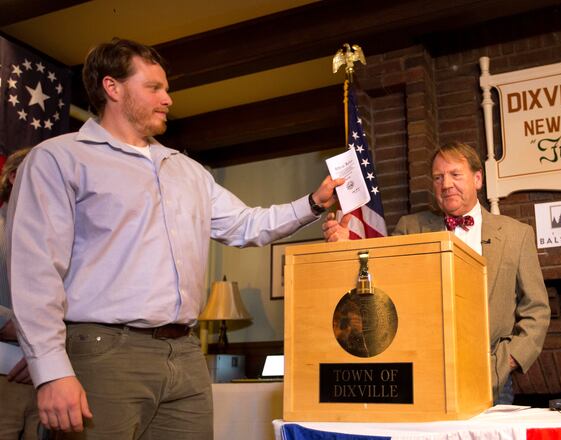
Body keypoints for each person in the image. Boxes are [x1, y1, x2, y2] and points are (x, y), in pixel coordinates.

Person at [6, 38, 342, 438]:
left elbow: (246, 224)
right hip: (101, 353)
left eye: (167, 88)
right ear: (112, 88)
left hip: (185, 356)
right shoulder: (59, 159)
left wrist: (314, 202)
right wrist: (51, 371)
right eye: (154, 88)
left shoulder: (189, 171)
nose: (168, 99)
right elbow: (35, 270)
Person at [323, 141, 550, 404]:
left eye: (455, 174)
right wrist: (347, 247)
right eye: (438, 177)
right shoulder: (411, 228)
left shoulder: (516, 234)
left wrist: (506, 361)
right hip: (421, 374)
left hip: (491, 377)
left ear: (477, 179)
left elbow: (537, 310)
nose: (446, 184)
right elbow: (382, 283)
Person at [0, 148, 38, 439]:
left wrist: (43, 353)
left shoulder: (61, 235)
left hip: (52, 376)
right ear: (14, 177)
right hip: (5, 373)